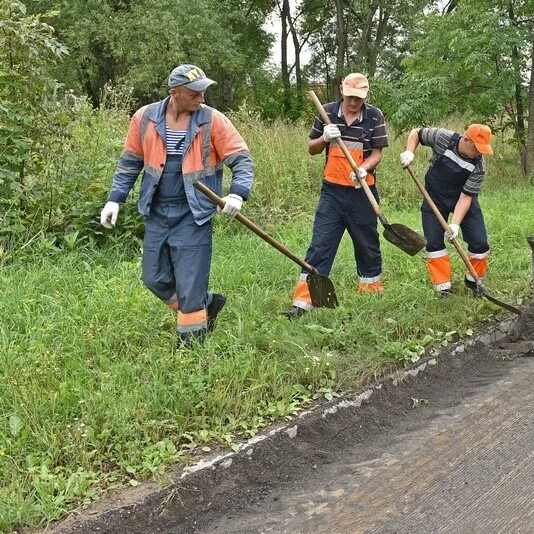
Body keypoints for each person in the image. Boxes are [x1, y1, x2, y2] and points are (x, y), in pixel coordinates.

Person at [100, 64, 254, 346]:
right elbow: (130, 161)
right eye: (195, 93)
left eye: (204, 92)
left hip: (193, 214)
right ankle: (207, 305)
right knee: (153, 277)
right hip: (157, 212)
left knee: (190, 285)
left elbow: (242, 160)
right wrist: (114, 199)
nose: (202, 99)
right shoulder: (145, 118)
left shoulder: (213, 121)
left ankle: (191, 350)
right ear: (175, 93)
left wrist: (237, 194)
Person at [288, 73, 389, 317]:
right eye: (350, 97)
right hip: (332, 192)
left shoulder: (374, 116)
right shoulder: (327, 112)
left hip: (362, 192)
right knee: (320, 245)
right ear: (341, 91)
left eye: (359, 98)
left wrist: (364, 169)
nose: (354, 102)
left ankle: (371, 292)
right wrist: (324, 137)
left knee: (367, 245)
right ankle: (303, 302)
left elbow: (377, 153)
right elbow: (311, 148)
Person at [401, 124, 493, 296]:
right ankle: (444, 289)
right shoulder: (443, 138)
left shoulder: (479, 165)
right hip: (434, 197)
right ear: (466, 140)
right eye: (477, 148)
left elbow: (466, 197)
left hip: (463, 198)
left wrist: (455, 225)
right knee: (434, 243)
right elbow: (416, 133)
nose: (479, 153)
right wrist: (410, 152)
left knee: (479, 243)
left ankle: (474, 283)